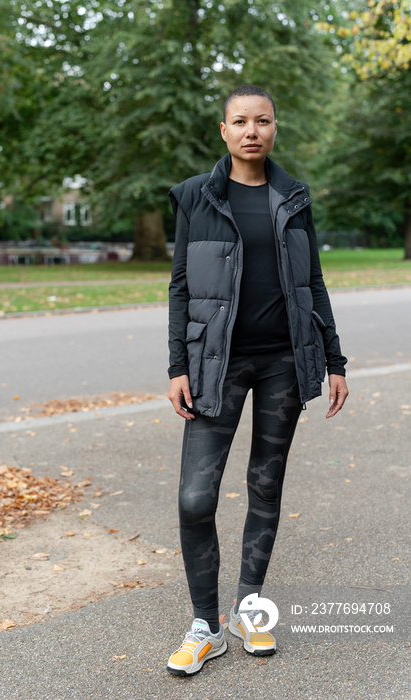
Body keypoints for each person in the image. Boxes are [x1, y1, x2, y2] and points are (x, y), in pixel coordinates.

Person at [166, 85, 349, 677]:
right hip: (214, 364)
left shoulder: (293, 196)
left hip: (283, 364)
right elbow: (180, 287)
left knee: (265, 487)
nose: (251, 130)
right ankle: (204, 625)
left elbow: (313, 281)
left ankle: (249, 608)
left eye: (262, 121)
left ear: (275, 128)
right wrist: (176, 366)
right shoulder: (197, 196)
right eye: (240, 121)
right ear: (224, 131)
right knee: (196, 499)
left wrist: (335, 360)